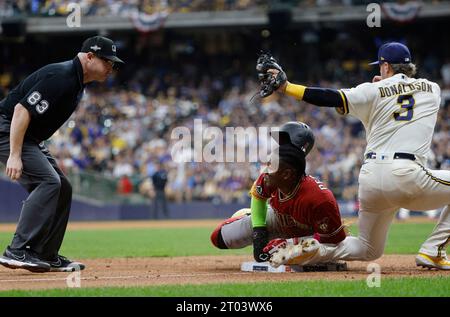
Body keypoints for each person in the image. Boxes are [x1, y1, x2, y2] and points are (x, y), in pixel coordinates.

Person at [257, 42, 449, 270]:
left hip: (370, 179)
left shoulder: (370, 91)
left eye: (381, 67)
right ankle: (432, 250)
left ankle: (303, 248)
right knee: (371, 249)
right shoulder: (432, 89)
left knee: (367, 249)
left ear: (385, 66)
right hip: (407, 174)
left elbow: (328, 97)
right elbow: (402, 96)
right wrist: (384, 85)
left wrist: (287, 87)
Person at [0, 36, 124, 273]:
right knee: (48, 181)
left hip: (27, 137)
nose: (111, 67)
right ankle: (18, 250)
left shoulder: (76, 81)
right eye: (108, 61)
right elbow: (20, 110)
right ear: (89, 56)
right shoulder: (62, 76)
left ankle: (45, 254)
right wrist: (15, 154)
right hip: (7, 129)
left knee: (63, 187)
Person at [210, 122, 347, 263]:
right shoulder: (273, 172)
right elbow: (259, 195)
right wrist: (259, 232)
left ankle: (253, 220)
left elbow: (331, 242)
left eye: (284, 141)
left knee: (315, 250)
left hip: (308, 234)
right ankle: (247, 215)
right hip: (278, 219)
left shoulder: (317, 196)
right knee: (219, 237)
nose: (280, 145)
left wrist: (289, 244)